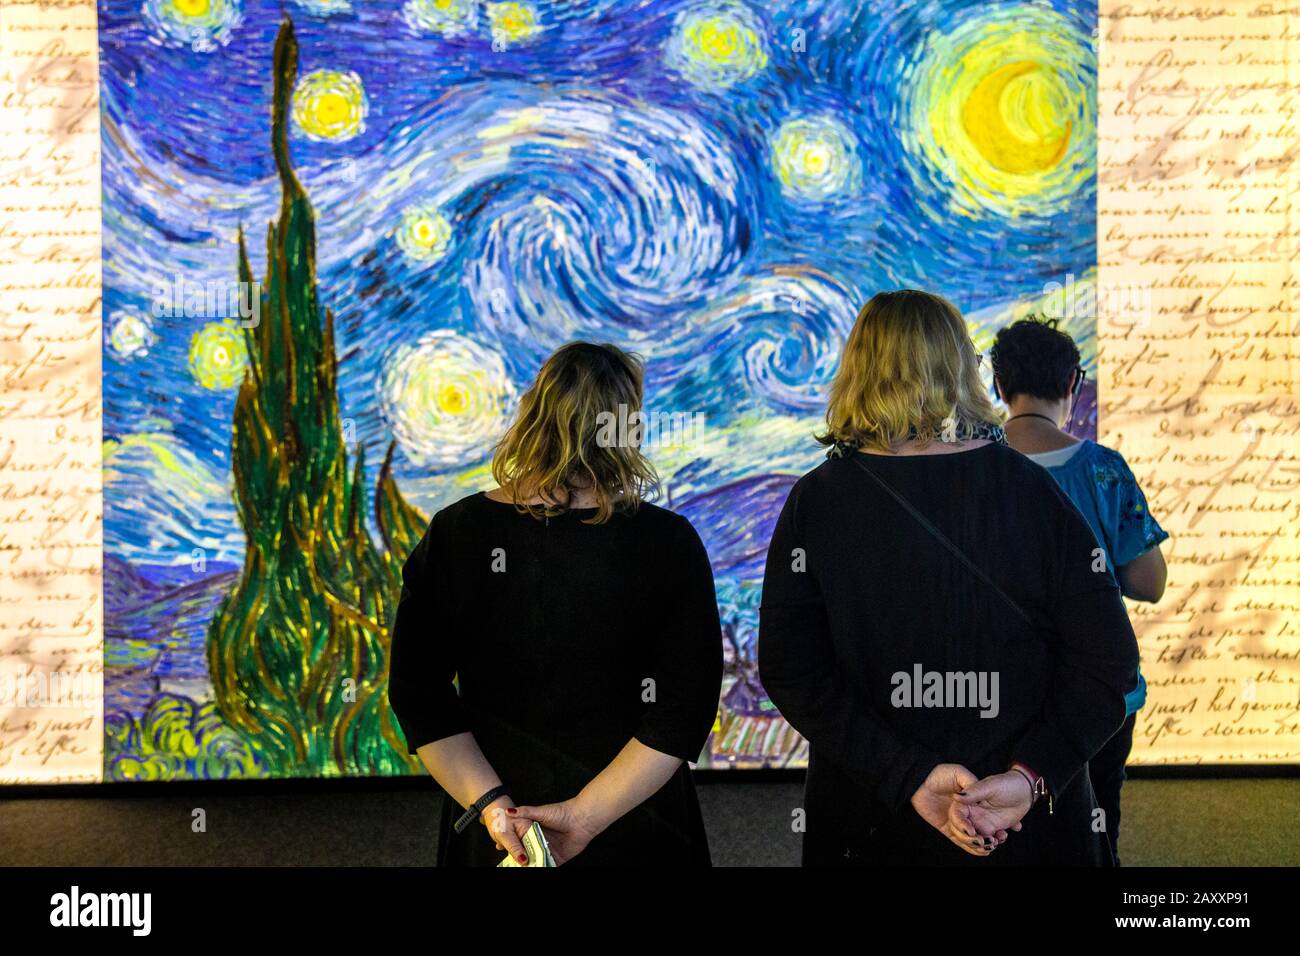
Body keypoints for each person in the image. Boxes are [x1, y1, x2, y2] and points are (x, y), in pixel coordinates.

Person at [758, 289, 1141, 866]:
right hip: (1025, 834)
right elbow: (1108, 662)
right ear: (962, 367)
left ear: (856, 370)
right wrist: (1028, 779)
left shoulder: (817, 502)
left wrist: (907, 775)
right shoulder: (1033, 491)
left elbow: (793, 672)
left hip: (869, 826)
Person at [387, 341, 723, 866]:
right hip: (637, 818)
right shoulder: (667, 541)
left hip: (503, 830)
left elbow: (419, 695)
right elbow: (683, 710)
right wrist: (585, 816)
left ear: (533, 411)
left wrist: (493, 807)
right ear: (626, 425)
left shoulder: (458, 531)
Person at [991, 316, 1168, 865]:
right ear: (1072, 383)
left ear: (999, 386)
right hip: (1097, 689)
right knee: (1096, 828)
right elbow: (1150, 582)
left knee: (1009, 832)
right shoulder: (1103, 471)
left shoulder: (973, 470)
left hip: (1000, 687)